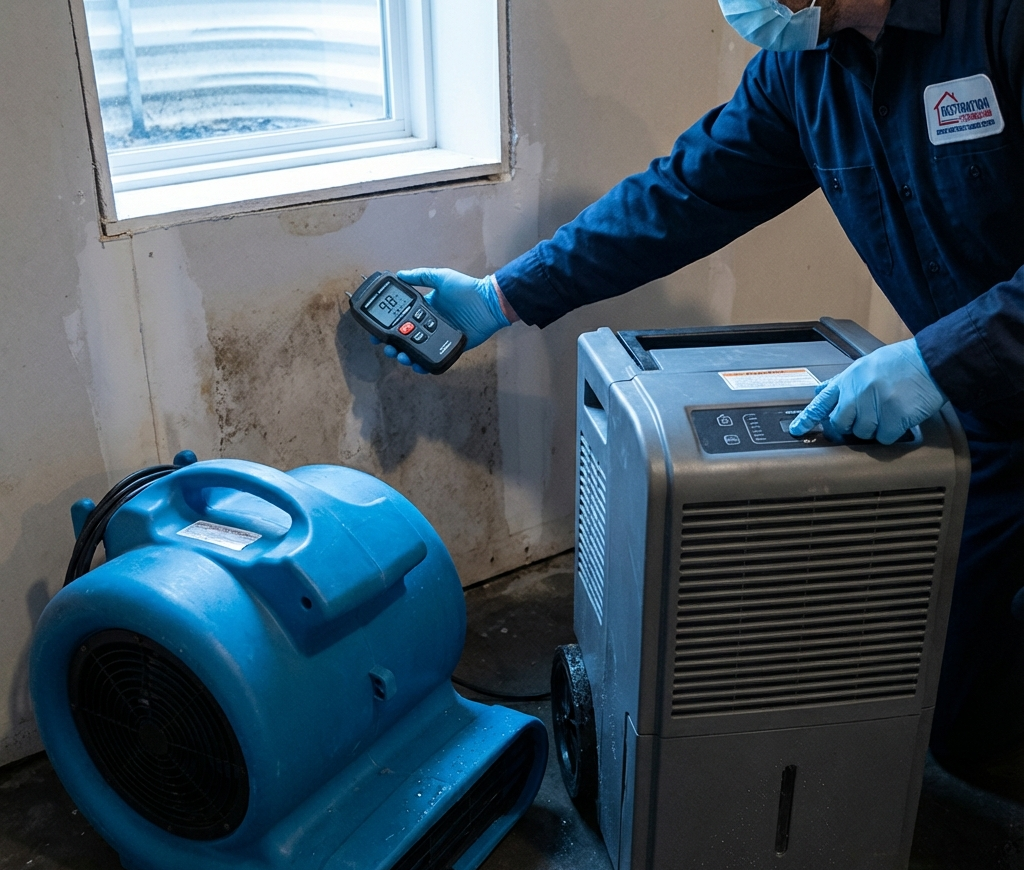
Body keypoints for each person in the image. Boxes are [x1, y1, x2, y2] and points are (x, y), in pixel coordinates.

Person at [372, 2, 1023, 798]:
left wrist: (936, 358)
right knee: (955, 712)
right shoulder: (805, 74)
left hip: (978, 368)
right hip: (996, 410)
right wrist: (502, 296)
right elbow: (680, 197)